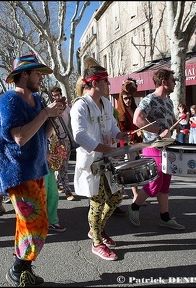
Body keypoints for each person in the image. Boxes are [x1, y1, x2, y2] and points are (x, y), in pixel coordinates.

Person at [0, 54, 65, 286]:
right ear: (24, 75)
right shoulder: (9, 100)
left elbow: (41, 135)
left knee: (29, 224)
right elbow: (20, 137)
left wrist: (54, 117)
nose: (41, 79)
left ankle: (22, 269)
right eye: (37, 74)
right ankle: (18, 268)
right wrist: (46, 114)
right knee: (37, 223)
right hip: (18, 172)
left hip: (36, 170)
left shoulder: (36, 99)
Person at [70, 64, 130, 261]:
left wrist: (120, 135)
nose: (109, 84)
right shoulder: (81, 105)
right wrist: (104, 148)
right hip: (92, 162)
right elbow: (79, 136)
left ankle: (97, 230)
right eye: (106, 81)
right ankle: (97, 242)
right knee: (97, 201)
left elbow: (112, 128)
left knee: (116, 197)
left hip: (108, 160)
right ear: (95, 83)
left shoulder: (106, 103)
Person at [130, 68, 185, 231]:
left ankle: (165, 217)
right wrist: (158, 131)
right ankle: (134, 207)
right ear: (164, 82)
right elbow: (137, 119)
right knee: (155, 183)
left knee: (165, 183)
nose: (175, 82)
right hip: (152, 146)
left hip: (167, 147)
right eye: (172, 79)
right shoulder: (150, 99)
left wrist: (177, 123)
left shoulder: (168, 101)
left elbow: (169, 119)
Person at [115, 78, 146, 212]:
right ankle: (120, 195)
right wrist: (134, 133)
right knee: (124, 171)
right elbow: (120, 131)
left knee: (134, 170)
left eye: (129, 98)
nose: (128, 100)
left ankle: (135, 195)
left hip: (135, 145)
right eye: (126, 98)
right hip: (125, 145)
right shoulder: (120, 112)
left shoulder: (134, 109)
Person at [50, 86, 75, 201]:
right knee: (59, 165)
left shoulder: (66, 107)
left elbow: (72, 119)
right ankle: (62, 187)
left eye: (57, 95)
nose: (56, 97)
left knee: (63, 165)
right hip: (56, 139)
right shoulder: (50, 108)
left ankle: (62, 187)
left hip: (66, 139)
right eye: (54, 95)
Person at [46, 137, 67, 233]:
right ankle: (39, 223)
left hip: (48, 166)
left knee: (53, 194)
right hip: (37, 165)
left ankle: (52, 221)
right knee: (41, 196)